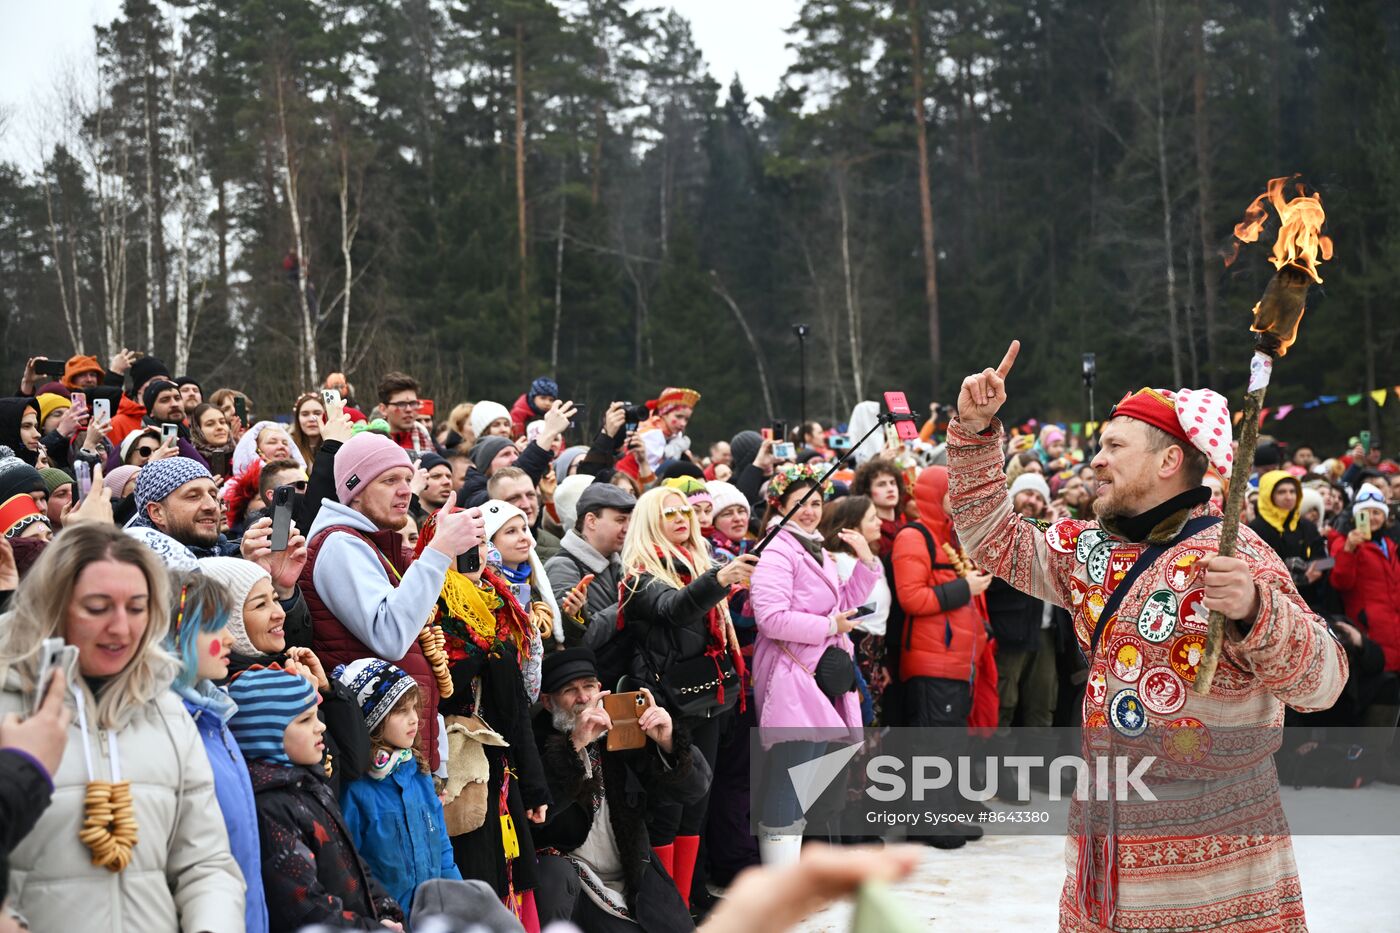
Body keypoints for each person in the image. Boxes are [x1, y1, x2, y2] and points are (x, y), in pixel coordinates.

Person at [950, 342, 1347, 931]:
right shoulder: (1090, 550)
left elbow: (1324, 683)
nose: (1096, 460)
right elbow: (992, 540)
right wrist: (975, 432)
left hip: (1217, 870)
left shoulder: (1237, 558)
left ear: (1167, 462)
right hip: (1104, 858)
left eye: (1114, 446)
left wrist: (1257, 610)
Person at [0, 524, 245, 932]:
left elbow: (207, 863)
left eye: (136, 608)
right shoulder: (9, 706)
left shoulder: (167, 710)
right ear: (52, 607)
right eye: (97, 608)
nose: (120, 628)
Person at [301, 431, 485, 770]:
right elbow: (391, 635)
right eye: (389, 480)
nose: (405, 489)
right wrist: (439, 549)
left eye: (407, 478)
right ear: (355, 491)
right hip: (374, 761)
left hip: (398, 754)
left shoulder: (374, 543)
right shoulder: (341, 545)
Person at [413, 505, 551, 928]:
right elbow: (435, 687)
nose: (474, 554)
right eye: (462, 545)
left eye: (479, 543)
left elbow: (517, 708)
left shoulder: (500, 600)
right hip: (457, 765)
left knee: (509, 871)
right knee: (476, 875)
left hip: (500, 762)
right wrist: (482, 655)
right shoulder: (425, 604)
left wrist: (535, 783)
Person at [619, 485, 757, 908]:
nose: (682, 518)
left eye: (686, 511)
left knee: (698, 800)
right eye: (670, 513)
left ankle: (690, 895)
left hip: (710, 699)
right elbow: (675, 609)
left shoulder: (700, 563)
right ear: (649, 522)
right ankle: (667, 905)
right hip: (666, 706)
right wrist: (719, 579)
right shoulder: (638, 574)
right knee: (668, 809)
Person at [747, 465, 878, 865]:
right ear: (779, 507)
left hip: (822, 679)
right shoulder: (777, 550)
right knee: (791, 782)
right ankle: (781, 882)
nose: (809, 511)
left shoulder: (813, 546)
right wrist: (827, 626)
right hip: (794, 678)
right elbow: (770, 618)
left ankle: (799, 874)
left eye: (816, 502)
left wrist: (866, 561)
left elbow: (842, 605)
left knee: (812, 784)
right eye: (798, 504)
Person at [532, 647, 710, 932]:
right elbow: (537, 812)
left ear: (601, 690)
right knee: (553, 874)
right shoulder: (534, 741)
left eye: (589, 686)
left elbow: (693, 791)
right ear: (548, 702)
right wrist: (573, 746)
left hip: (633, 874)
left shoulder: (622, 734)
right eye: (570, 690)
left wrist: (667, 742)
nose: (583, 698)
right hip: (572, 883)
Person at [227, 665, 407, 931]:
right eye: (305, 720)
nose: (321, 726)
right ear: (266, 733)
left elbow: (355, 865)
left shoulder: (311, 785)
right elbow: (304, 908)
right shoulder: (269, 808)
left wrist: (385, 911)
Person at [201, 556, 371, 796]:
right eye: (261, 605)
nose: (279, 613)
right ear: (227, 621)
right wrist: (306, 700)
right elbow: (319, 778)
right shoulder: (238, 695)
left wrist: (328, 691)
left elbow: (356, 764)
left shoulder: (284, 667)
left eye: (276, 599)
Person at [164, 570, 270, 933]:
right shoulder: (169, 729)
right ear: (175, 637)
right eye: (215, 627)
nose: (230, 639)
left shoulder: (214, 717)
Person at [336, 658, 462, 923]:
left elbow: (441, 846)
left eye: (414, 708)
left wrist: (459, 899)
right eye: (401, 711)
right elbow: (349, 869)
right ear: (374, 719)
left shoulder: (417, 772)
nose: (414, 719)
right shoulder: (357, 790)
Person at [545, 483, 636, 685]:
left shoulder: (620, 561)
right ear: (591, 521)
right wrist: (631, 599)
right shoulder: (563, 567)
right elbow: (578, 640)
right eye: (620, 520)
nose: (627, 528)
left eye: (630, 520)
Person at [820, 494, 893, 725]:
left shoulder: (873, 559)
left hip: (875, 647)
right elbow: (847, 606)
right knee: (859, 715)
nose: (879, 522)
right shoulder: (839, 560)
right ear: (853, 527)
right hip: (855, 644)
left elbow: (879, 607)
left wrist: (882, 661)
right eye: (872, 519)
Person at [1329, 482, 1400, 675]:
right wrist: (1349, 550)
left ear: (1385, 517)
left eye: (1377, 513)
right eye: (1365, 513)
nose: (1372, 518)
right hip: (1368, 627)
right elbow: (1341, 582)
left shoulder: (1389, 544)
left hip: (1393, 623)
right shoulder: (1345, 543)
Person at [1250, 470, 1329, 613]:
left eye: (1293, 492)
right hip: (1272, 606)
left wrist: (1314, 567)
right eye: (1282, 492)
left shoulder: (1307, 526)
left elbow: (1328, 561)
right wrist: (1292, 576)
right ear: (1269, 495)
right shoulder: (1256, 529)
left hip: (1310, 603)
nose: (1289, 497)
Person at [489, 466, 562, 562]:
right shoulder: (484, 555)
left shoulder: (555, 545)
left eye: (530, 495)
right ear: (495, 504)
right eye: (514, 498)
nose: (526, 504)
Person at [624, 387, 700, 477]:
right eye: (678, 417)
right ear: (664, 414)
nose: (683, 423)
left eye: (686, 419)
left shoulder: (674, 434)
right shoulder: (651, 434)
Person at [850, 458, 911, 558]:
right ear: (867, 491)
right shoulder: (869, 531)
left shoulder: (903, 520)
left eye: (892, 483)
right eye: (881, 484)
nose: (890, 489)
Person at [378, 371, 436, 455]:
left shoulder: (422, 433)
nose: (409, 409)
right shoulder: (373, 439)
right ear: (383, 409)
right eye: (401, 404)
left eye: (413, 403)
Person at [188, 403, 236, 479]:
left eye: (222, 422)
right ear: (197, 430)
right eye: (210, 424)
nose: (219, 427)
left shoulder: (240, 454)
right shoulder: (191, 463)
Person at [291, 391, 328, 467]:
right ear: (297, 419)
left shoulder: (340, 447)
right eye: (305, 414)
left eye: (317, 413)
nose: (312, 419)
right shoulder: (288, 449)